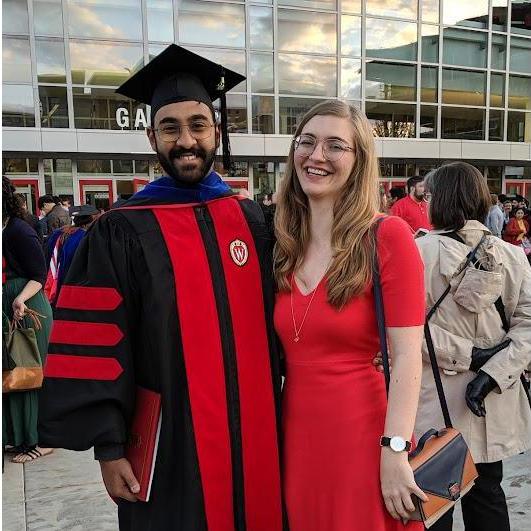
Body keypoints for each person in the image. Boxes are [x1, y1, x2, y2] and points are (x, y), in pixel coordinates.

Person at [38, 45, 285, 531]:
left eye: (197, 125)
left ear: (217, 131)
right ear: (152, 136)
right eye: (170, 128)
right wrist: (109, 449)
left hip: (258, 431)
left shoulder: (252, 221)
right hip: (170, 443)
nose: (186, 140)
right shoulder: (121, 232)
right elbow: (99, 342)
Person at [274, 99, 427, 531]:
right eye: (307, 141)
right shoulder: (283, 244)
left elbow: (407, 356)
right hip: (297, 437)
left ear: (358, 162)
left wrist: (395, 449)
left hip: (364, 435)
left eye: (335, 146)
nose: (316, 155)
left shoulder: (387, 236)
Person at [414, 162, 531, 531]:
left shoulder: (417, 254)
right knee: (489, 494)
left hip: (435, 403)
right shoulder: (513, 256)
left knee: (434, 499)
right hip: (491, 401)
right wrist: (491, 373)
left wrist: (465, 355)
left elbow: (401, 333)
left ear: (439, 200)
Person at [2, 177, 54, 463]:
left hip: (26, 304)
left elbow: (39, 273)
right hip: (10, 305)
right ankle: (18, 436)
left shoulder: (19, 230)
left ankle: (40, 440)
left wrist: (20, 298)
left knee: (31, 373)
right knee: (11, 374)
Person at [44, 205, 100, 306]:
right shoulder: (85, 237)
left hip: (54, 284)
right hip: (74, 287)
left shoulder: (58, 233)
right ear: (91, 220)